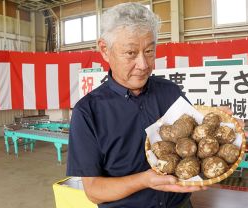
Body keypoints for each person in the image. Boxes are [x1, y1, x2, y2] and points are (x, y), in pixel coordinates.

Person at [66, 3, 208, 208]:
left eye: (149, 51)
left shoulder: (170, 92)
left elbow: (193, 137)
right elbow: (94, 191)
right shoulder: (88, 112)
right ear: (105, 50)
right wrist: (144, 180)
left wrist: (217, 124)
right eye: (131, 53)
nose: (143, 64)